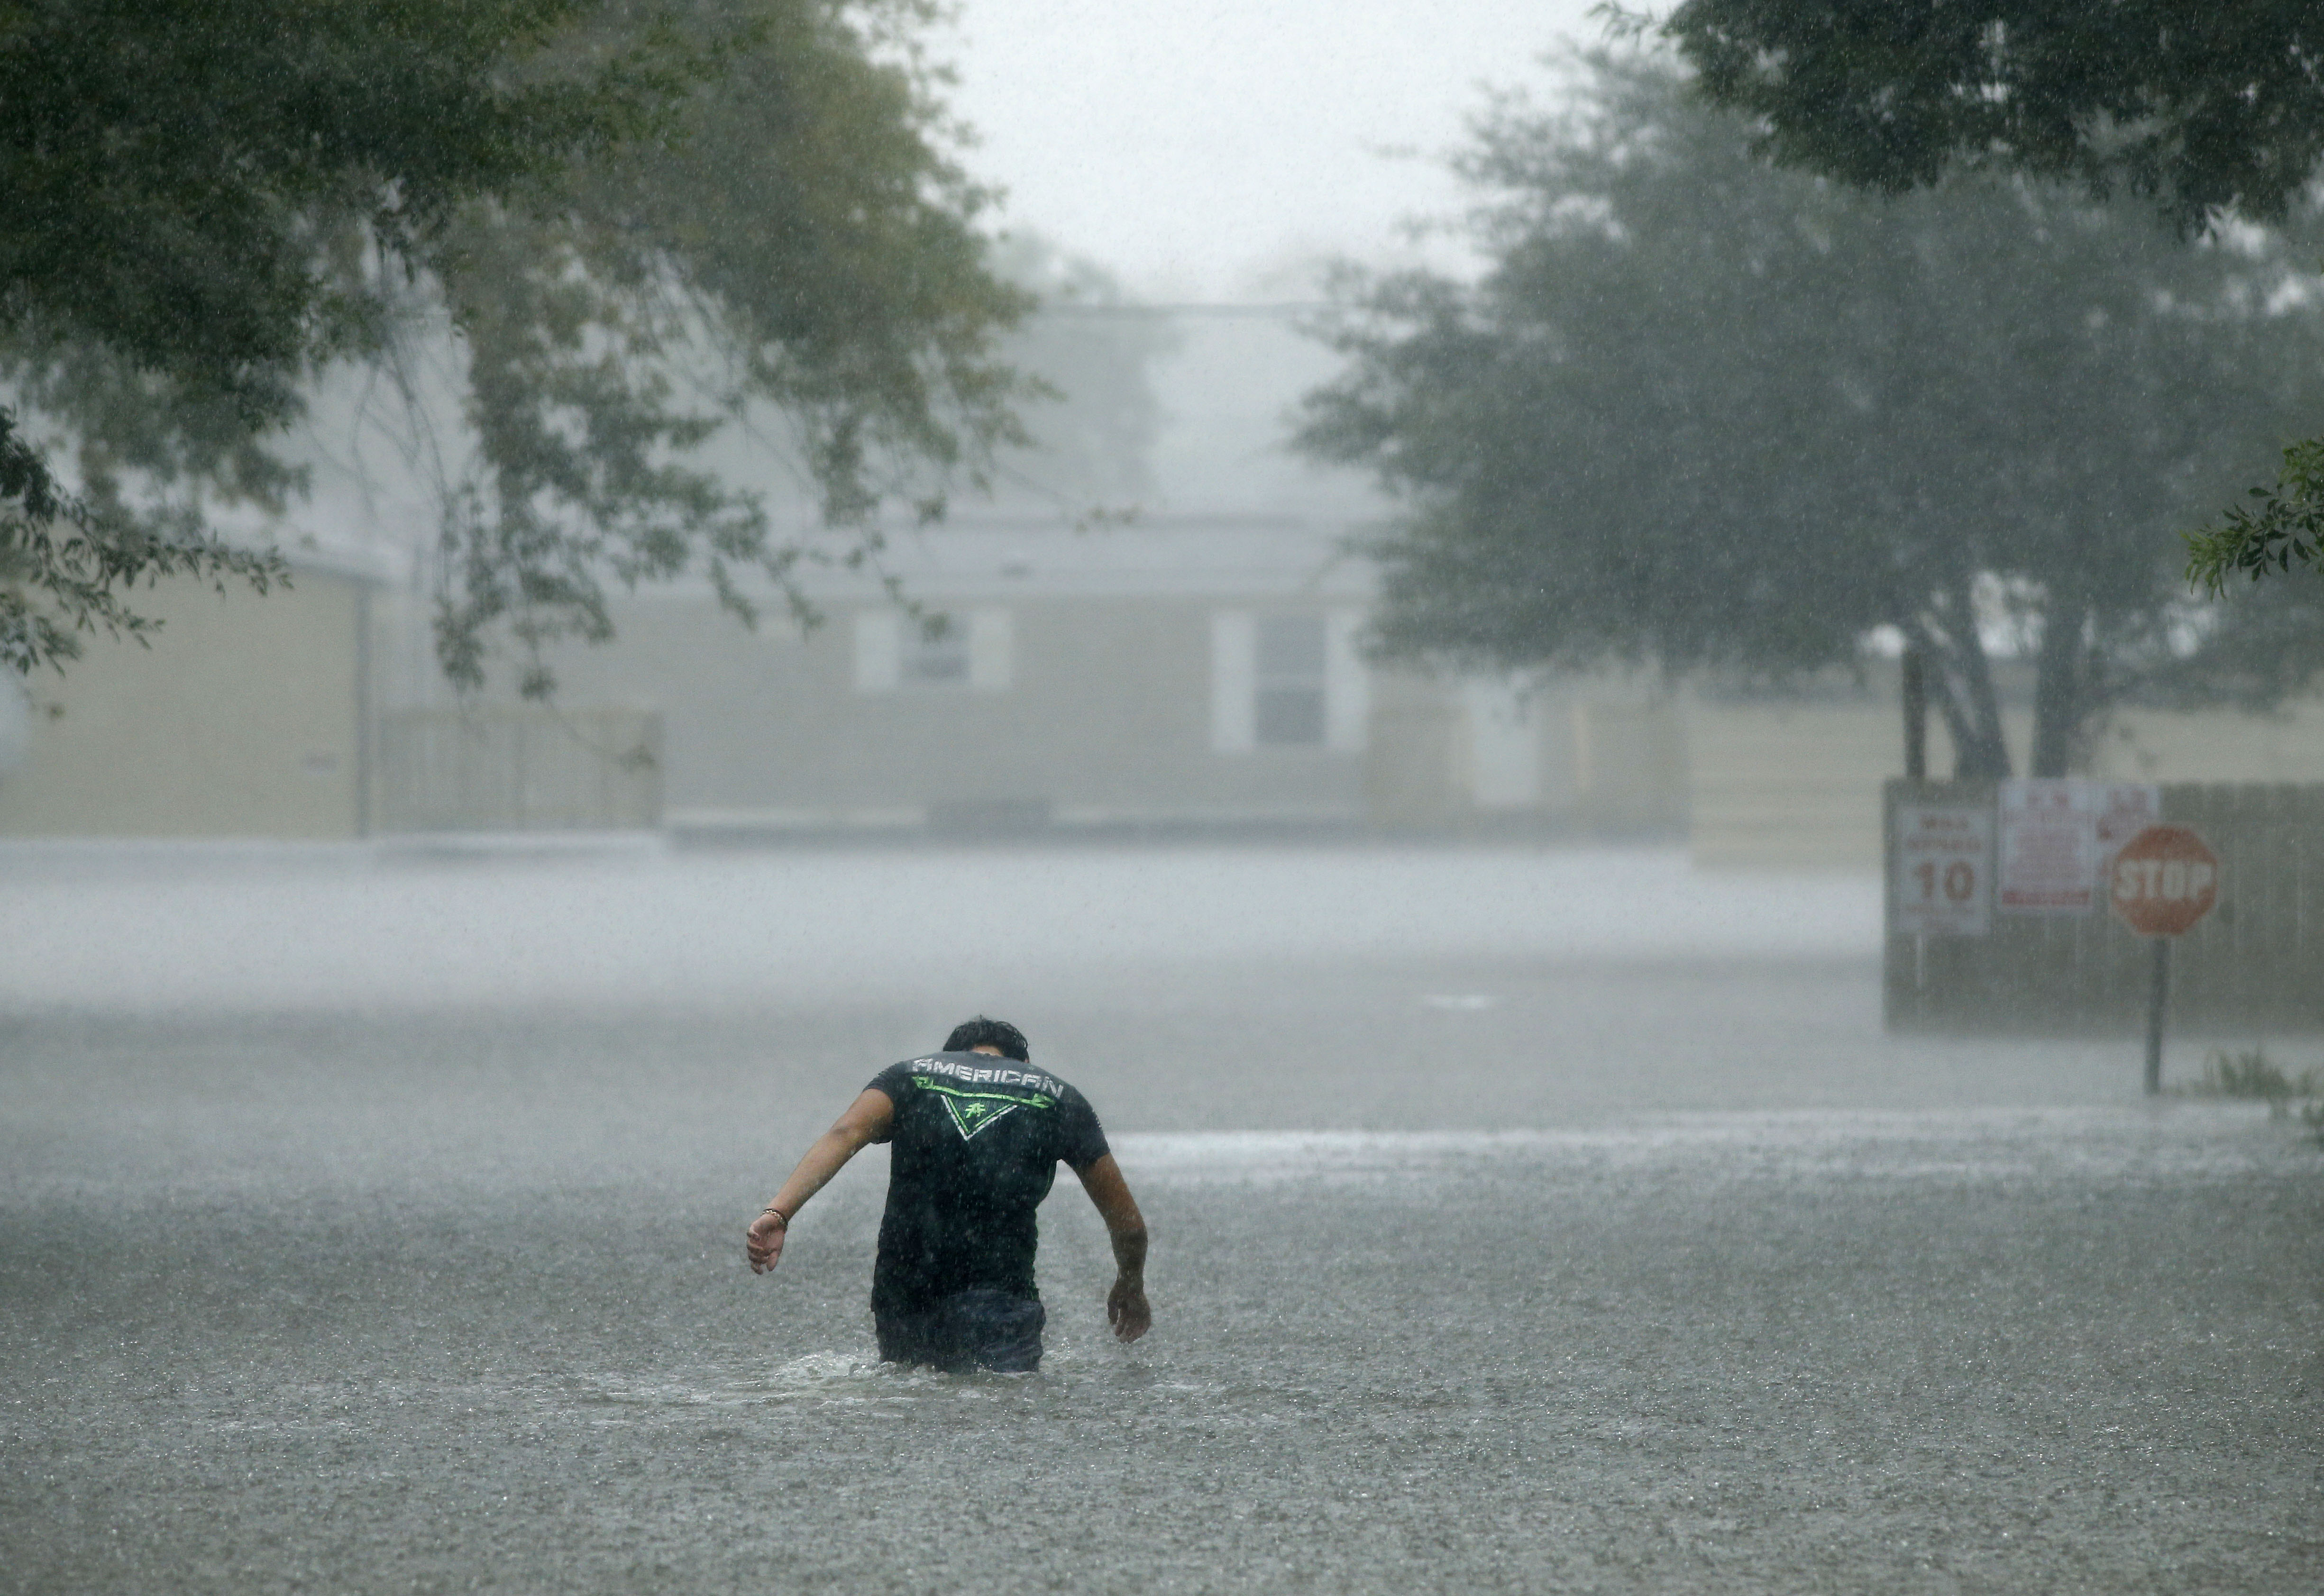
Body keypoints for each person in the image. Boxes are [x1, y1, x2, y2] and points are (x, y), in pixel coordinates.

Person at [744, 1016, 1150, 1372]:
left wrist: (779, 1212)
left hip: (903, 1290)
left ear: (950, 1057)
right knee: (999, 1421)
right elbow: (1128, 1225)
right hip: (999, 1297)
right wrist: (1130, 1284)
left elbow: (845, 1133)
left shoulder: (908, 1077)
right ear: (1022, 1063)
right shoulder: (1059, 1098)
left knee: (911, 1410)